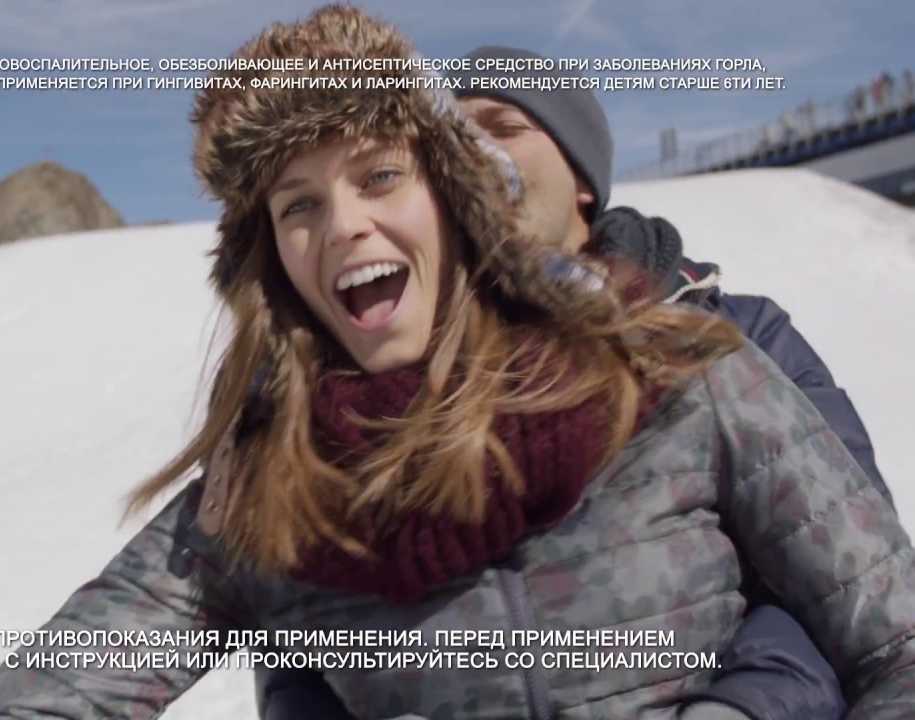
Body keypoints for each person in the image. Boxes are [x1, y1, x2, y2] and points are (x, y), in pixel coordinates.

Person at [0, 6, 915, 719]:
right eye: (297, 205)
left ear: (453, 202)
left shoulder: (679, 374)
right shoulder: (269, 487)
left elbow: (894, 642)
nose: (343, 225)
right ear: (272, 259)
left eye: (378, 176)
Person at [254, 43, 898, 720]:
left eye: (503, 128)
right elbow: (297, 639)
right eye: (448, 139)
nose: (472, 153)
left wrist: (744, 705)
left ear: (583, 180)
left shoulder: (731, 337)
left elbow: (856, 592)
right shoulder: (385, 376)